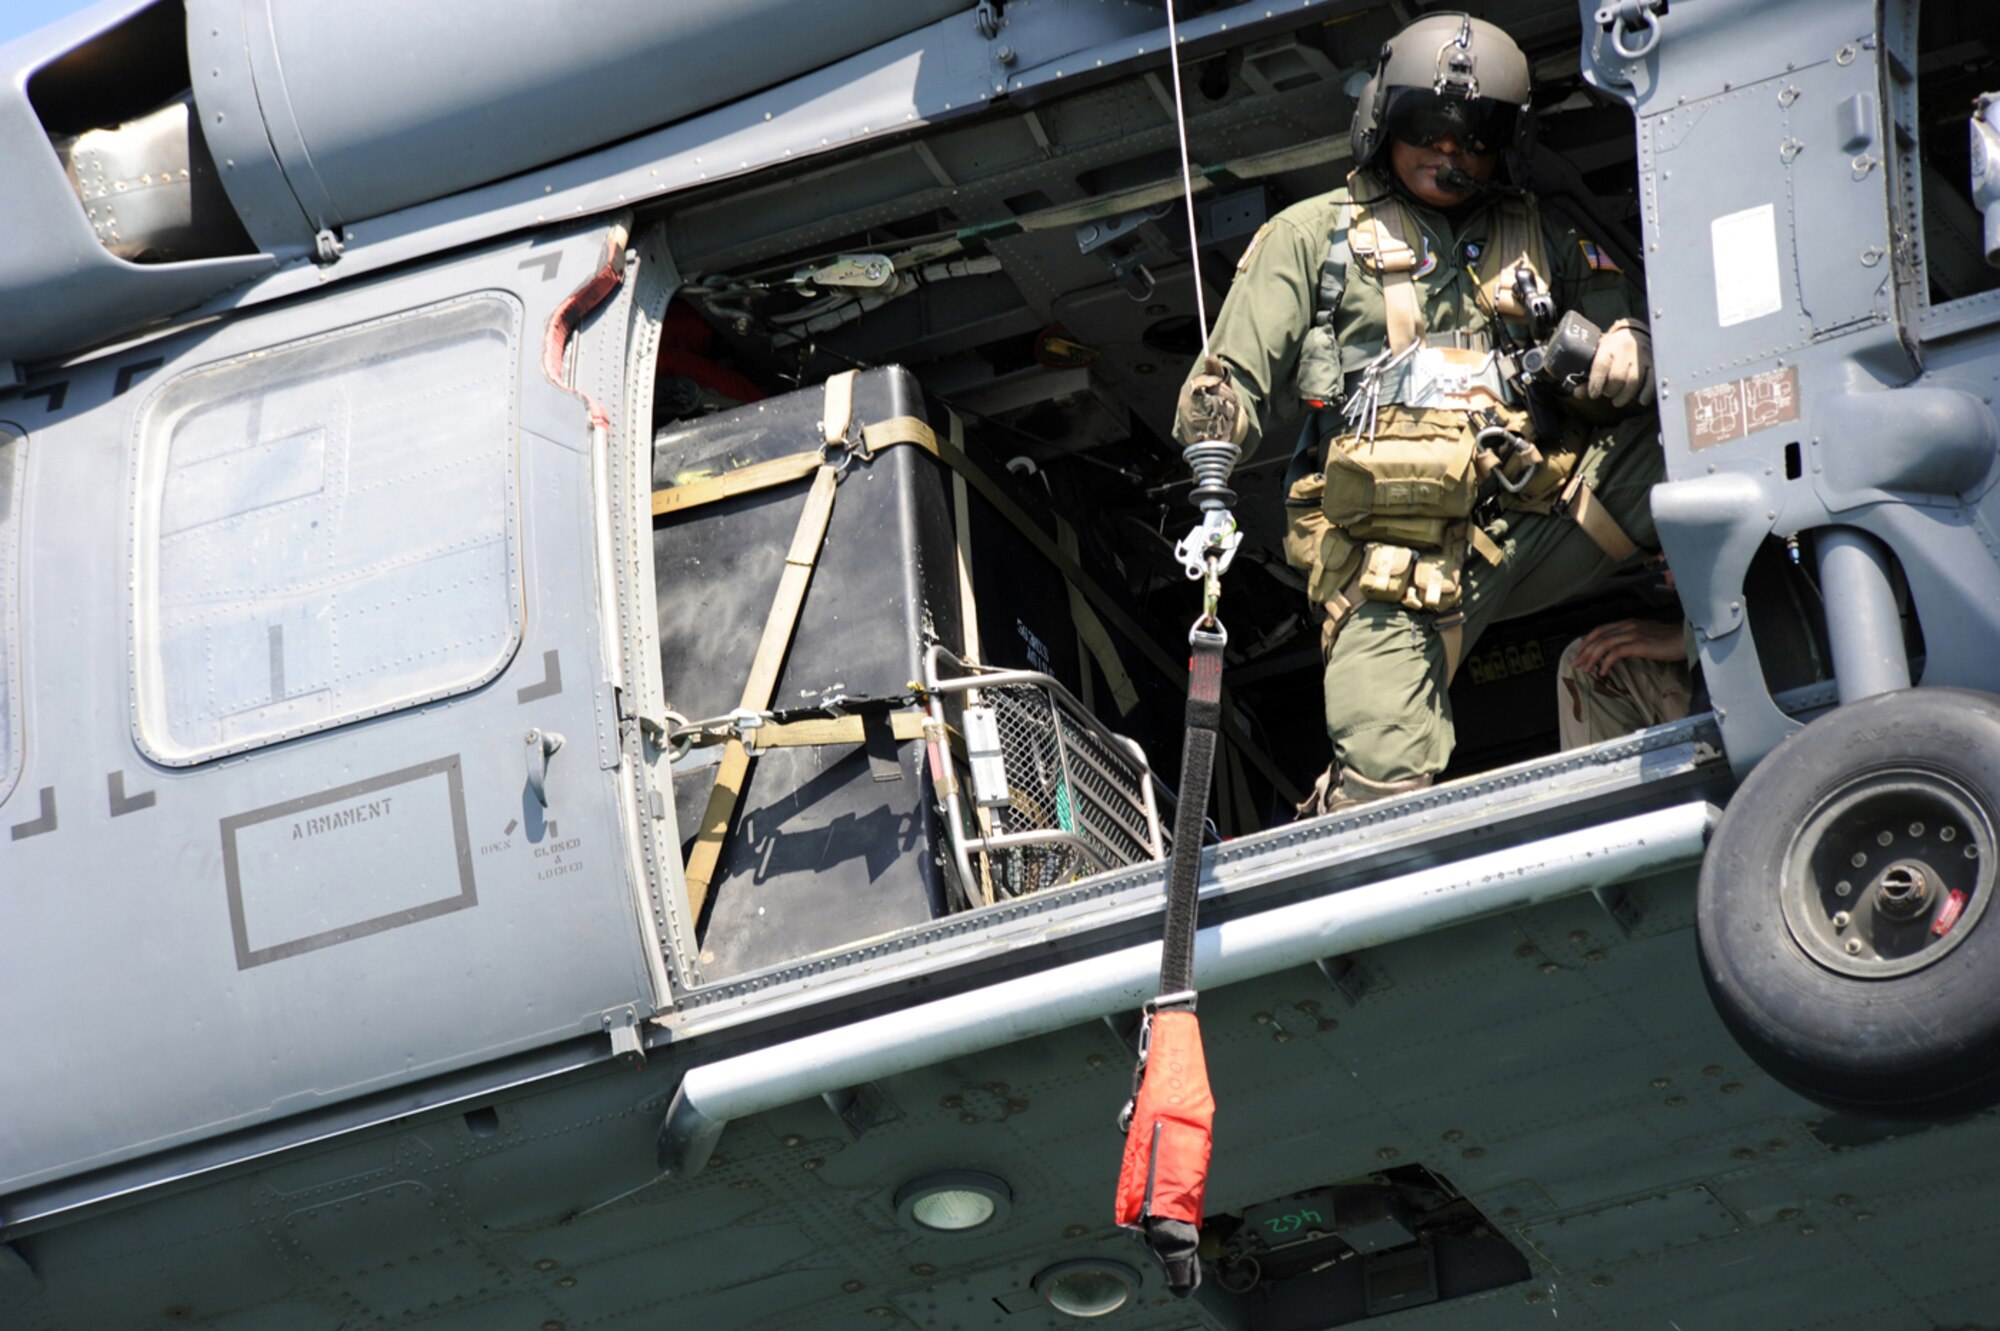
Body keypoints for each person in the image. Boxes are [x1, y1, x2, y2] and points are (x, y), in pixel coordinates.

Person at [1175, 11, 1663, 812]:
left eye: (1476, 136)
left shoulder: (1544, 237)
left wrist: (1635, 346)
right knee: (1380, 780)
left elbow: (1637, 340)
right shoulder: (1312, 238)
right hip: (1394, 563)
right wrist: (1214, 459)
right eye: (1426, 126)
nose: (1450, 150)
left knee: (1704, 428)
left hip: (1544, 511)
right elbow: (1225, 384)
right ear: (1381, 121)